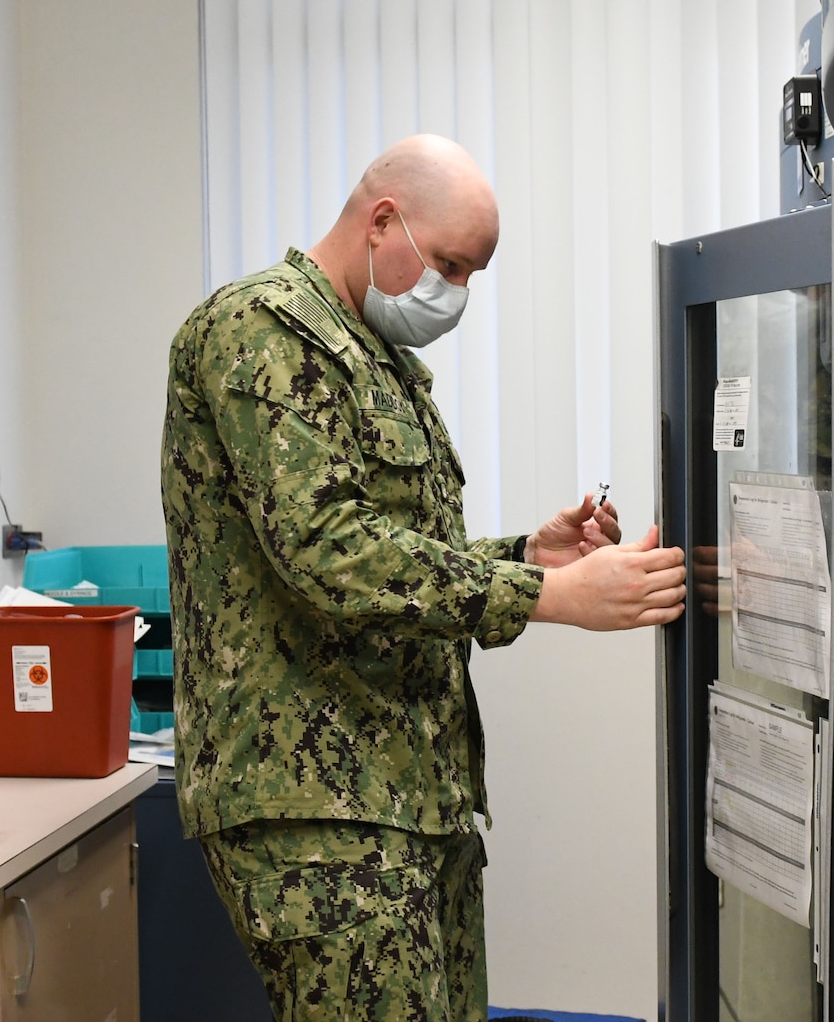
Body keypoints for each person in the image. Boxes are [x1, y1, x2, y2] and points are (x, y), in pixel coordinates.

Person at [160, 133, 686, 1021]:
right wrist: (548, 598)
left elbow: (390, 554)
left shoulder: (380, 359)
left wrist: (523, 557)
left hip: (408, 796)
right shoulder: (259, 331)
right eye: (448, 264)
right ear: (382, 221)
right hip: (315, 810)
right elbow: (326, 552)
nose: (457, 294)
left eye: (472, 274)